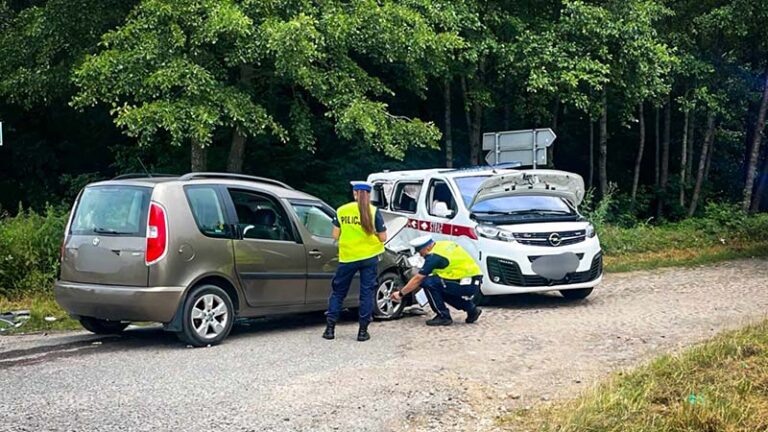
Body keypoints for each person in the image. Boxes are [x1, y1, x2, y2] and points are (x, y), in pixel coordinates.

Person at [322, 181, 387, 341]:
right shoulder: (374, 211)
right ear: (369, 195)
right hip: (369, 258)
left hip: (348, 257)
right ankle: (362, 332)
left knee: (338, 293)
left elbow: (335, 235)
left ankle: (330, 329)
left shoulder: (342, 210)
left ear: (354, 193)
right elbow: (383, 237)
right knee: (366, 294)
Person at [391, 236, 483, 326]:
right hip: (473, 279)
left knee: (428, 283)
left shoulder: (433, 257)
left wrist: (400, 294)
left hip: (465, 282)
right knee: (439, 290)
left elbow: (418, 279)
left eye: (420, 252)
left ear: (427, 248)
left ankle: (443, 316)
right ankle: (472, 310)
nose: (420, 255)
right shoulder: (443, 244)